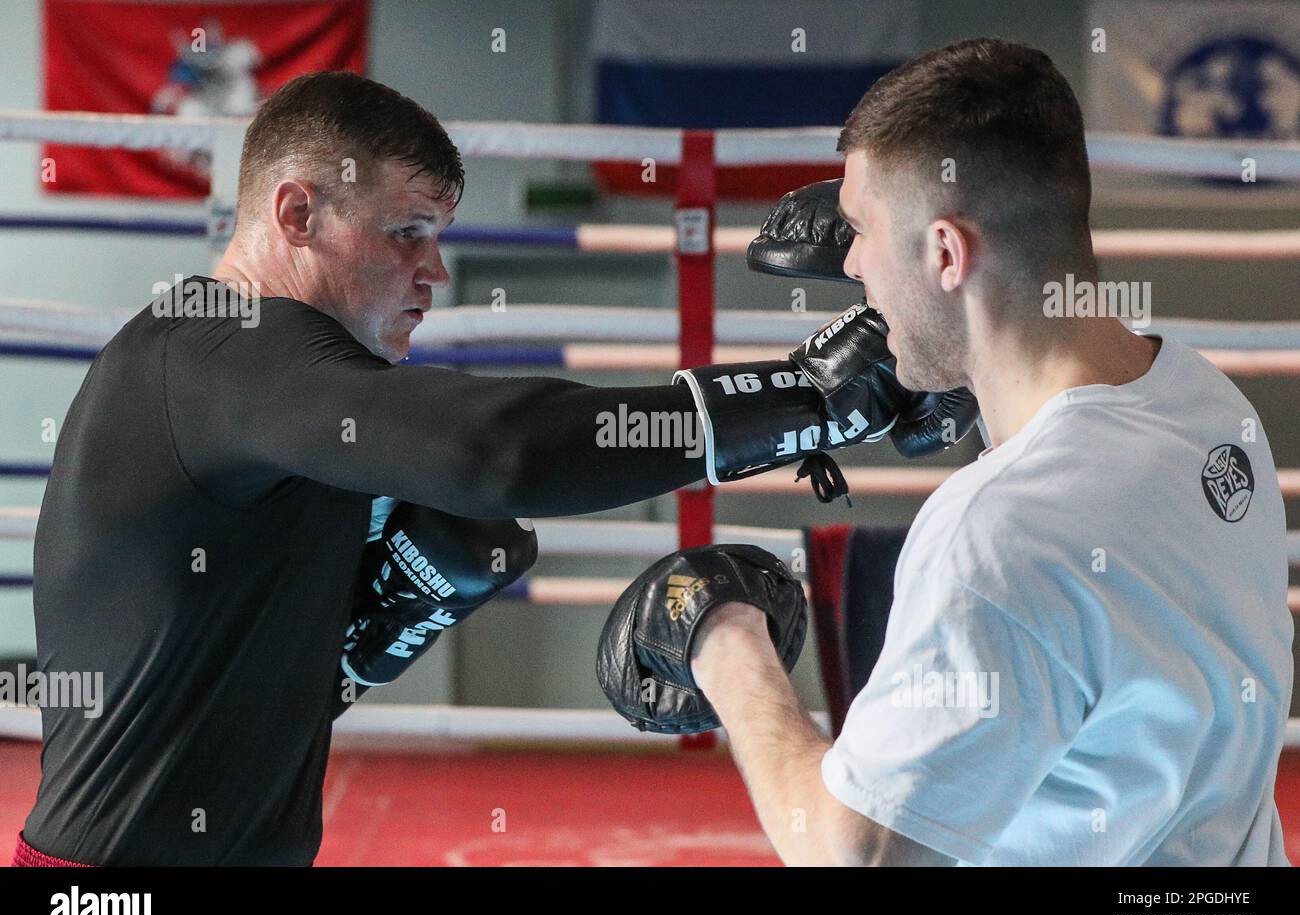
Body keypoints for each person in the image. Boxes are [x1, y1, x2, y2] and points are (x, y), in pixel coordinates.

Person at [16, 71, 973, 867]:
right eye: (407, 233)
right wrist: (804, 399)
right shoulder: (216, 348)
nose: (433, 270)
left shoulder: (284, 401)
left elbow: (216, 684)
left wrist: (366, 633)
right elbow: (500, 451)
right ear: (297, 212)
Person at [599, 38, 1293, 866]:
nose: (850, 263)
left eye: (860, 232)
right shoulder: (1206, 403)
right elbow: (1090, 515)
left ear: (944, 253)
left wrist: (724, 639)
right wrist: (972, 375)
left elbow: (848, 851)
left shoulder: (993, 538)